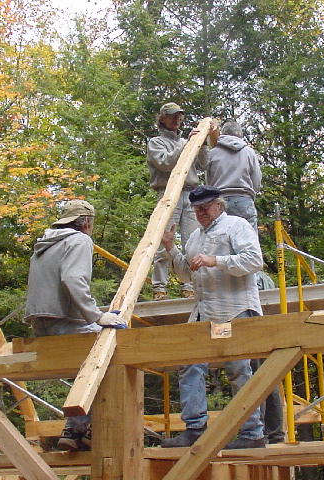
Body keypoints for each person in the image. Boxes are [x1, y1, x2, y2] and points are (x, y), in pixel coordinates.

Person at [159, 186, 266, 450]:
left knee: (238, 369)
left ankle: (253, 434)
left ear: (219, 205)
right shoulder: (195, 236)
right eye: (196, 209)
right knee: (189, 364)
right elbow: (187, 274)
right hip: (204, 312)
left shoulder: (236, 225)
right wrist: (171, 248)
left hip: (234, 309)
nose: (200, 213)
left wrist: (214, 260)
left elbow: (254, 261)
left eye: (204, 208)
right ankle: (195, 428)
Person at [24, 199, 126, 451]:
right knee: (111, 352)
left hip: (40, 323)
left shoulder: (45, 245)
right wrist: (97, 316)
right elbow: (73, 279)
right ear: (87, 222)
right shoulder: (79, 240)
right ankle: (84, 429)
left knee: (87, 370)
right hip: (64, 319)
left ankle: (74, 429)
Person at [207, 120, 285, 443]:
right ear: (240, 135)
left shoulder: (213, 153)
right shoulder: (250, 152)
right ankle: (274, 433)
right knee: (248, 245)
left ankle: (265, 431)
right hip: (245, 198)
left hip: (223, 200)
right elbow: (257, 181)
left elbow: (209, 181)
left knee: (252, 367)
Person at [147, 102, 212, 301]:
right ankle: (159, 287)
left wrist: (201, 145)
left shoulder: (187, 140)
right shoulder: (156, 142)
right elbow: (165, 163)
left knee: (192, 241)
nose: (177, 119)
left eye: (179, 116)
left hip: (191, 195)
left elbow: (203, 164)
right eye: (172, 115)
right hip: (168, 194)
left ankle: (189, 284)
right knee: (164, 240)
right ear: (162, 119)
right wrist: (186, 145)